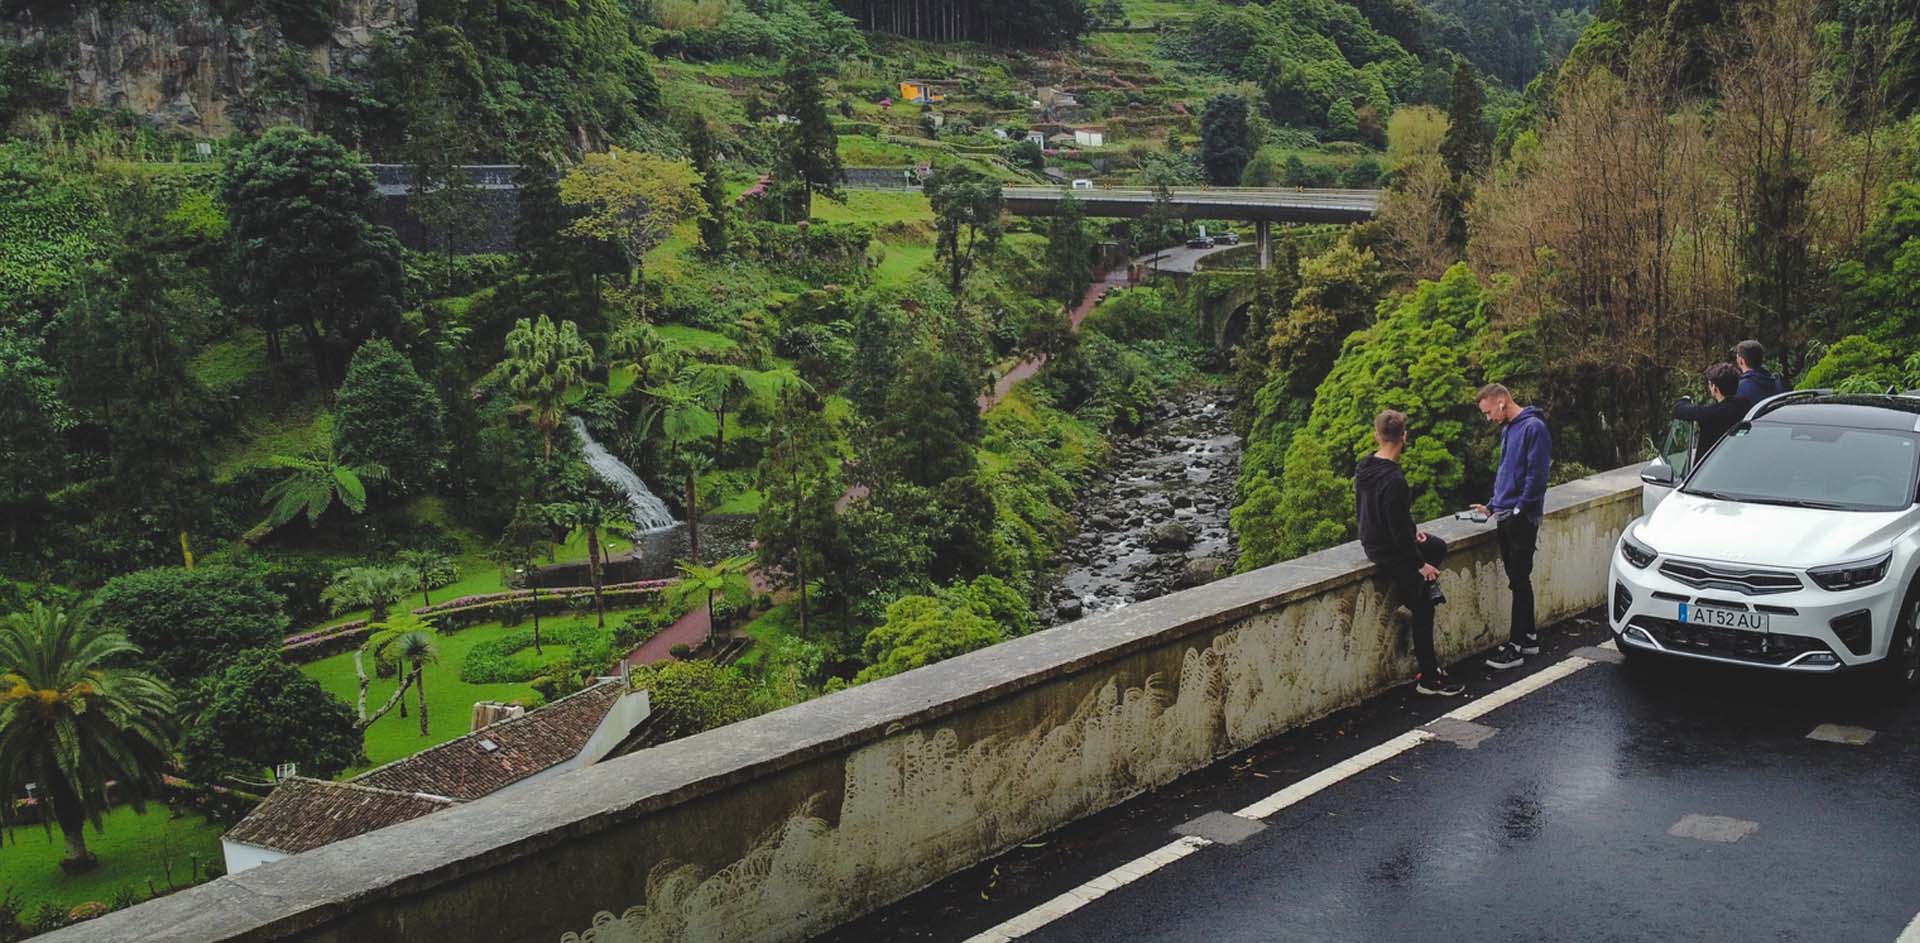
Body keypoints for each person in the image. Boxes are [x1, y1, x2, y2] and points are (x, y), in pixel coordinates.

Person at [1357, 410, 1464, 697]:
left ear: (1377, 435)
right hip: (1390, 551)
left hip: (1372, 540)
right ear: (1404, 437)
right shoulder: (1395, 481)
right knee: (1425, 607)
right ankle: (1429, 678)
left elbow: (1391, 518)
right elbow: (1397, 534)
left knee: (1437, 546)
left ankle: (1418, 590)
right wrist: (1421, 566)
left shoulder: (1365, 466)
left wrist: (1413, 531)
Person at [1472, 384, 1552, 671]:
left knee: (1518, 580)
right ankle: (1529, 638)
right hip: (1506, 514)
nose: (1488, 418)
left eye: (1489, 411)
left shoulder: (1533, 428)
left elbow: (1536, 475)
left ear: (1502, 402)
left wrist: (1520, 510)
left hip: (1521, 518)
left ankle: (1516, 647)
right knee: (1519, 579)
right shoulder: (1509, 429)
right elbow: (1506, 471)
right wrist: (1492, 506)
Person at [1673, 363, 1751, 456]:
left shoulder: (1711, 414)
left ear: (1714, 388)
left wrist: (1684, 399)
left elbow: (1679, 410)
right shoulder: (1747, 405)